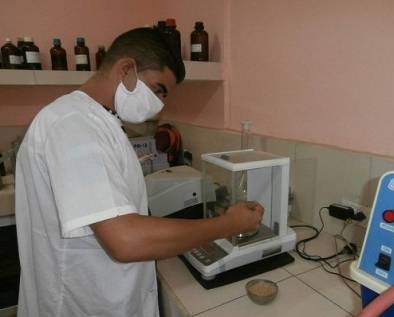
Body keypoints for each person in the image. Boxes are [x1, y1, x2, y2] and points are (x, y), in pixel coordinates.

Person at [15, 28, 264, 317]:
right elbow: (125, 240)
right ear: (126, 69)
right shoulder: (74, 126)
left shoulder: (97, 122)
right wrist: (227, 224)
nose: (160, 103)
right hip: (81, 305)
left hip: (105, 297)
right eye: (158, 89)